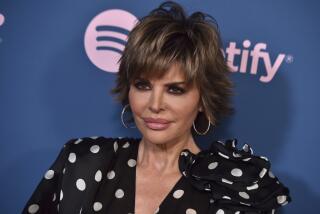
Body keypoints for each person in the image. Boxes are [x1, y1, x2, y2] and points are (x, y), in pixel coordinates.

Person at [23, 1, 291, 213]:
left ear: (203, 99)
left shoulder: (236, 189)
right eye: (143, 85)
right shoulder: (81, 160)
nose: (155, 105)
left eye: (175, 89)